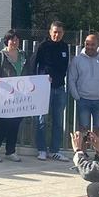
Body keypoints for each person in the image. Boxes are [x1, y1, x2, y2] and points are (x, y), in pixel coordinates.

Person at [29, 21, 71, 162]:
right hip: (44, 89)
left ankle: (55, 150)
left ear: (63, 33)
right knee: (42, 120)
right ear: (50, 32)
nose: (56, 35)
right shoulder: (43, 46)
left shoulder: (65, 47)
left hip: (59, 88)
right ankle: (41, 149)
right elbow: (33, 65)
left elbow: (64, 67)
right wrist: (37, 82)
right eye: (54, 32)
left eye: (59, 32)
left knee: (58, 121)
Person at [0, 30, 30, 162]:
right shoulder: (0, 56)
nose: (14, 42)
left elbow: (29, 73)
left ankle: (10, 151)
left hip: (19, 98)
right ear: (7, 41)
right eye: (12, 39)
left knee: (15, 124)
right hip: (2, 98)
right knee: (4, 124)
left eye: (17, 39)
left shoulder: (23, 56)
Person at [68, 32, 99, 152]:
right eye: (87, 44)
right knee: (83, 128)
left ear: (97, 45)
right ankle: (82, 154)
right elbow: (71, 79)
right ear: (84, 44)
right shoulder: (77, 60)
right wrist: (76, 96)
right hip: (83, 100)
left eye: (93, 44)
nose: (90, 47)